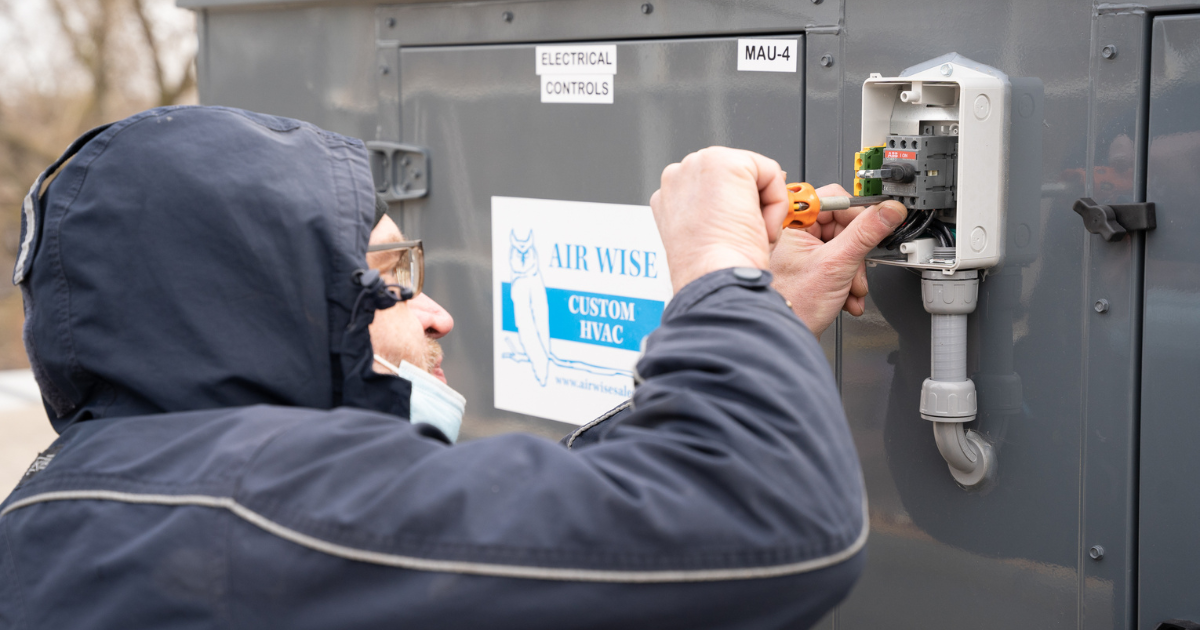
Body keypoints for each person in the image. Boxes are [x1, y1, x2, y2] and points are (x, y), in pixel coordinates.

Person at [0, 106, 907, 629]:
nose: (436, 312)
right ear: (245, 306)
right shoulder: (253, 509)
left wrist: (764, 316)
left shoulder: (102, 502)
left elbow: (557, 532)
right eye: (387, 281)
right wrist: (714, 268)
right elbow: (769, 520)